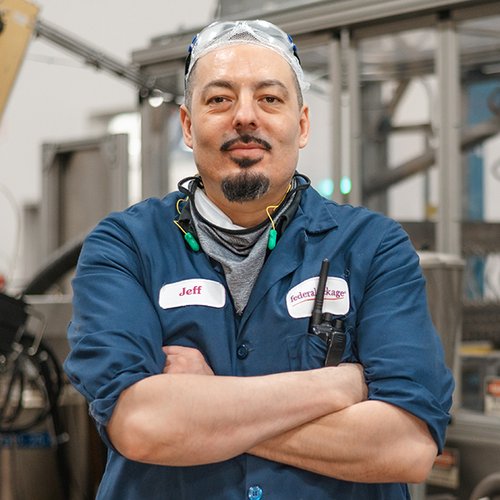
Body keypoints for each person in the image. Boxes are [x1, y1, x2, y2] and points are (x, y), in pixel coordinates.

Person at [64, 19, 454, 500]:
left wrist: (204, 410)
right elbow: (144, 424)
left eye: (269, 98)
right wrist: (339, 386)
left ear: (302, 124)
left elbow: (406, 446)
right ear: (188, 125)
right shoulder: (125, 246)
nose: (245, 116)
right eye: (219, 99)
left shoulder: (372, 247)